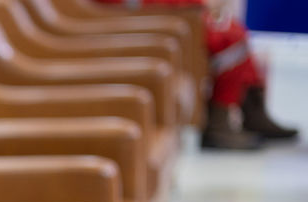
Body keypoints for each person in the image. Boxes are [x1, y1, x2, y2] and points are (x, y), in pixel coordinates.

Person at [94, 0, 299, 149]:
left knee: (235, 31)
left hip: (161, 14)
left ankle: (252, 110)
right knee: (231, 39)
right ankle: (219, 122)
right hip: (136, 20)